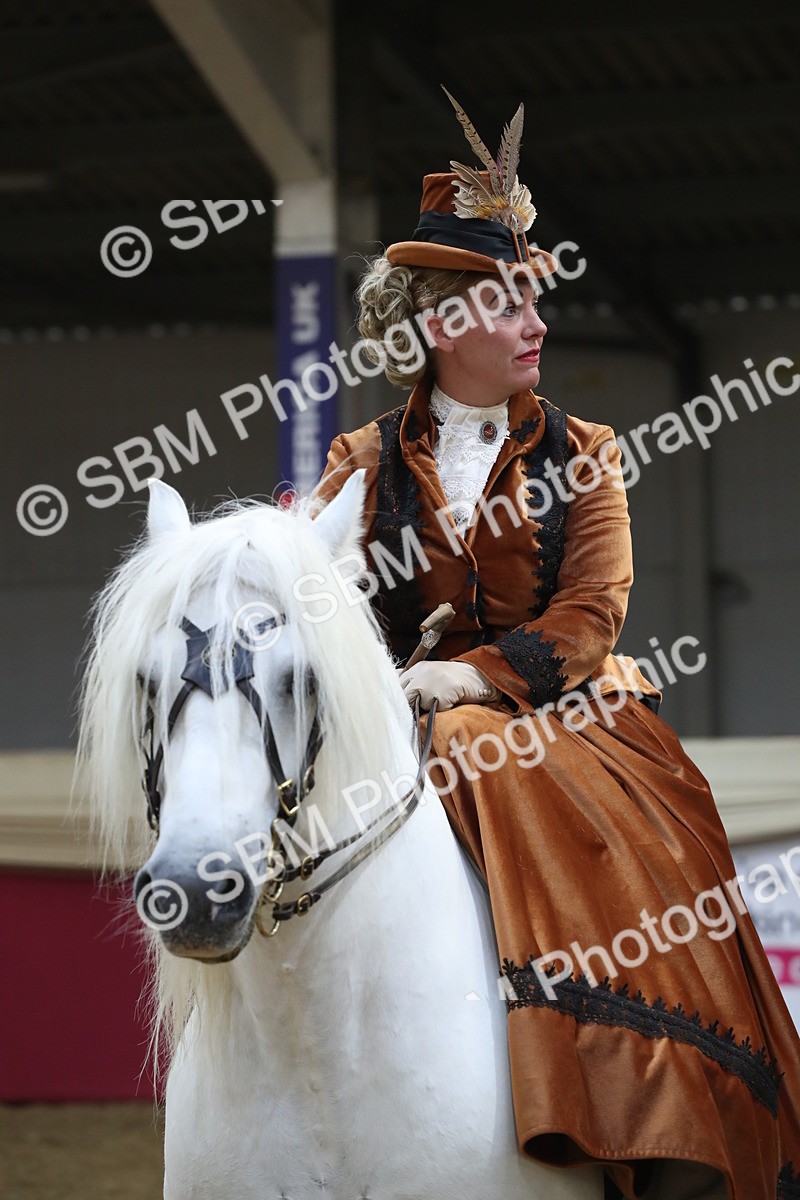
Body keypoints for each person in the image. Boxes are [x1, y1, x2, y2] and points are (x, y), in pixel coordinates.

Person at [314, 92, 800, 1200]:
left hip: (565, 714)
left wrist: (465, 678)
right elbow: (317, 585)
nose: (537, 325)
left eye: (536, 301)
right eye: (507, 305)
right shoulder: (360, 457)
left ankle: (674, 1080)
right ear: (441, 325)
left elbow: (589, 616)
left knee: (632, 832)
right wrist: (336, 597)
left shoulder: (589, 449)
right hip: (392, 709)